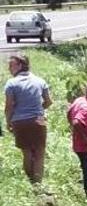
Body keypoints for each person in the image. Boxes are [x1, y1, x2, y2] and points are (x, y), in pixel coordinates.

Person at [4, 54, 52, 184]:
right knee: (39, 152)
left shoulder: (11, 83)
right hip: (38, 119)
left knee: (27, 152)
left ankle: (31, 181)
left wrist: (8, 122)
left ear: (20, 65)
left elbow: (9, 106)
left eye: (11, 65)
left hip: (19, 121)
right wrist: (40, 109)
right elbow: (48, 101)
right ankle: (38, 184)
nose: (9, 69)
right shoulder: (40, 81)